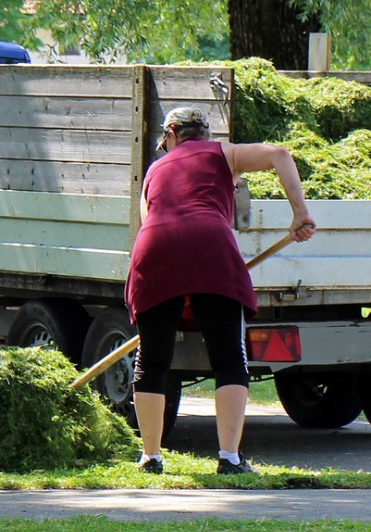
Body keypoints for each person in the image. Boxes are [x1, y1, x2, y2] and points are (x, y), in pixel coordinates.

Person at [126, 106, 317, 475]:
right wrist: (299, 213)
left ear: (171, 135)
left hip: (154, 247)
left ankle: (151, 457)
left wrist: (178, 278)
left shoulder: (153, 170)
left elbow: (148, 221)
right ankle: (229, 458)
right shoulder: (222, 152)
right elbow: (279, 155)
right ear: (204, 133)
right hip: (210, 243)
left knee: (151, 361)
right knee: (228, 357)